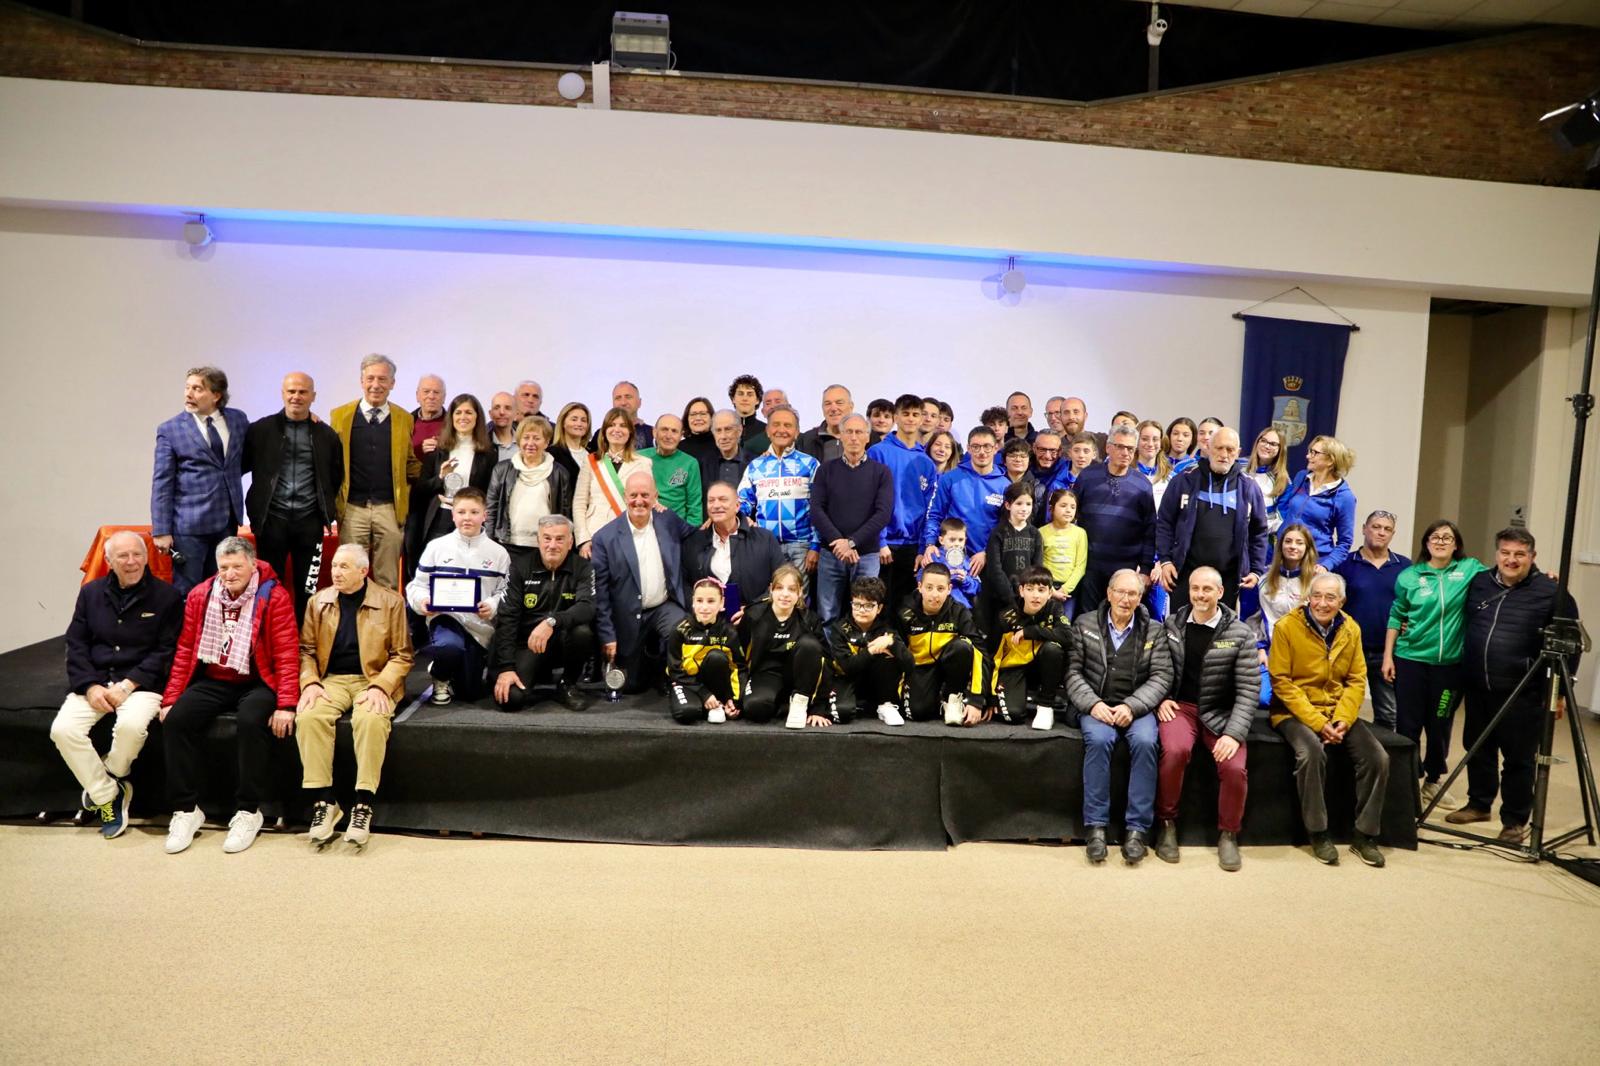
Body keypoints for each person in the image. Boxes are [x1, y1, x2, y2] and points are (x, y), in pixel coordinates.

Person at [159, 537, 299, 855]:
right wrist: (170, 698)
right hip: (214, 677)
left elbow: (287, 652)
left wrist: (286, 703)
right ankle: (186, 810)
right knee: (177, 721)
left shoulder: (273, 595)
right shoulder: (201, 594)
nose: (230, 574)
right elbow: (185, 649)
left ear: (252, 564)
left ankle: (249, 810)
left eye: (237, 566)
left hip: (258, 679)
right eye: (224, 567)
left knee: (251, 721)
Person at [1447, 528, 1581, 845]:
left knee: (1518, 759)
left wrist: (1560, 692)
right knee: (1477, 747)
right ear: (1497, 554)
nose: (1511, 560)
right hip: (1478, 685)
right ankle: (1479, 804)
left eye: (1520, 554)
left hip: (1524, 692)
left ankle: (1514, 821)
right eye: (1506, 552)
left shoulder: (1552, 592)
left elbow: (1570, 645)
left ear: (1532, 557)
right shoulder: (1480, 583)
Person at [51, 531, 183, 839]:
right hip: (96, 681)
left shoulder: (167, 596)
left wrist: (128, 684)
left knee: (131, 728)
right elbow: (76, 644)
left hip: (141, 684)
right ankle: (107, 794)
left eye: (137, 554)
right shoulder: (91, 593)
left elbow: (166, 651)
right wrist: (90, 686)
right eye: (122, 556)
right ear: (109, 561)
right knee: (63, 730)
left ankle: (111, 775)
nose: (131, 561)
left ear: (147, 558)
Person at [295, 543, 413, 850]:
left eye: (344, 567)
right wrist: (310, 682)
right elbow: (306, 651)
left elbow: (402, 655)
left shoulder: (391, 602)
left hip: (372, 679)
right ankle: (324, 802)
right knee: (309, 716)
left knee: (371, 719)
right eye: (334, 566)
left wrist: (381, 687)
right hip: (330, 680)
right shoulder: (318, 602)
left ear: (363, 571)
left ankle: (363, 804)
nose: (336, 572)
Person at [1268, 572, 1389, 867]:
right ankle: (1318, 832)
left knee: (1378, 758)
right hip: (1293, 711)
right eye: (1317, 596)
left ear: (1341, 601)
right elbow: (1281, 681)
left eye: (1330, 597)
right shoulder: (1286, 627)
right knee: (1311, 753)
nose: (1322, 603)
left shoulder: (1352, 629)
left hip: (1337, 710)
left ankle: (1365, 835)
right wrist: (1318, 723)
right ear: (1308, 598)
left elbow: (1357, 680)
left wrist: (1343, 719)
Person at [1065, 568, 1174, 865]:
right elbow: (1072, 672)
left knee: (1146, 742)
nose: (1126, 599)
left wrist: (1132, 706)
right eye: (1121, 592)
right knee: (1099, 741)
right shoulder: (1084, 623)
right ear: (1109, 593)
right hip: (1096, 705)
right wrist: (1092, 704)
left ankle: (1137, 830)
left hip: (1136, 707)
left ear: (1140, 598)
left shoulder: (1155, 630)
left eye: (1133, 594)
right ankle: (1096, 828)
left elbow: (1162, 676)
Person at [1154, 566, 1258, 871]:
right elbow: (1158, 669)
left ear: (1220, 592)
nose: (1200, 595)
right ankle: (1167, 825)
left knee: (1235, 768)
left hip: (1222, 713)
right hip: (1181, 708)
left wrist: (1233, 734)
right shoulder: (1172, 625)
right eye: (1195, 588)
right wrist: (1161, 698)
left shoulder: (1240, 633)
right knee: (1175, 752)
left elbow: (1249, 689)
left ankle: (1228, 834)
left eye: (1207, 589)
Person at [1383, 519, 1486, 810]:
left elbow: (1502, 575)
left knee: (1440, 722)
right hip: (1410, 661)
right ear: (1426, 543)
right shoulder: (1409, 577)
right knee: (1408, 723)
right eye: (1435, 537)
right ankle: (1408, 780)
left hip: (1450, 666)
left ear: (1456, 544)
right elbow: (1396, 615)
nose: (1440, 541)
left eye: (1447, 537)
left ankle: (1432, 780)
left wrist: (1543, 576)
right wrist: (1388, 656)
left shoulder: (1469, 570)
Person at [242, 371, 344, 620]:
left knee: (308, 586)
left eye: (302, 392)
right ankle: (270, 634)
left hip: (310, 523)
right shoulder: (260, 430)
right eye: (291, 391)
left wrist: (324, 511)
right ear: (282, 394)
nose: (296, 396)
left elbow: (335, 476)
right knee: (268, 585)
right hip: (271, 520)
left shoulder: (326, 435)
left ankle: (305, 637)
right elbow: (241, 465)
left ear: (313, 396)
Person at [590, 471, 696, 691]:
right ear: (625, 497)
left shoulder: (668, 520)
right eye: (634, 495)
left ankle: (672, 677)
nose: (639, 501)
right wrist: (608, 636)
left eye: (646, 495)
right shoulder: (604, 538)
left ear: (656, 496)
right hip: (626, 616)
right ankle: (648, 667)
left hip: (663, 607)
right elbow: (601, 595)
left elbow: (696, 536)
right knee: (630, 686)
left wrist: (725, 522)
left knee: (681, 629)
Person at [405, 488, 510, 706]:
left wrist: (492, 605)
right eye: (461, 512)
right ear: (453, 515)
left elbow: (505, 591)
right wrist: (422, 601)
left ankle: (452, 670)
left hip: (480, 626)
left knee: (470, 692)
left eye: (474, 512)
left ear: (485, 515)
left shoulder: (499, 553)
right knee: (449, 647)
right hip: (446, 618)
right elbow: (417, 585)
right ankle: (440, 675)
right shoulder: (436, 547)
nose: (467, 518)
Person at [151, 366, 250, 592]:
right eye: (187, 388)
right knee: (189, 592)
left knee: (223, 589)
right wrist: (161, 530)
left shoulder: (237, 420)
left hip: (226, 522)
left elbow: (241, 461)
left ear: (216, 395)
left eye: (197, 389)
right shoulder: (171, 429)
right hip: (189, 526)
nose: (189, 394)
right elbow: (162, 483)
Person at [1152, 427, 1270, 612]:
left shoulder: (1248, 487)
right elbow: (1165, 523)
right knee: (1181, 628)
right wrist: (1165, 560)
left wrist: (1256, 570)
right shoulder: (1183, 480)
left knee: (1222, 631)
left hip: (1228, 581)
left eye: (1230, 449)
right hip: (1184, 576)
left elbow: (1259, 531)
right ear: (1207, 447)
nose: (1224, 454)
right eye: (1219, 448)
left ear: (1238, 452)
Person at [331, 354, 420, 591]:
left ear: (392, 383)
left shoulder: (404, 418)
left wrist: (436, 473)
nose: (376, 385)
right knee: (350, 575)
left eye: (382, 379)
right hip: (352, 508)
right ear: (361, 381)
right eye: (370, 378)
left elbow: (409, 462)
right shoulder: (339, 416)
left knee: (387, 578)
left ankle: (386, 616)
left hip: (390, 509)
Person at [491, 514, 596, 713]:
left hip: (561, 639)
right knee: (511, 700)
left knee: (582, 632)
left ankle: (567, 684)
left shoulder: (583, 567)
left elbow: (587, 607)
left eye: (560, 539)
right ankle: (535, 674)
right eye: (547, 538)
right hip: (528, 643)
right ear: (538, 540)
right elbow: (507, 618)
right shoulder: (519, 567)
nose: (552, 545)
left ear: (570, 542)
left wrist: (552, 621)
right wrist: (506, 667)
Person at [811, 414, 893, 623]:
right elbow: (816, 510)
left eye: (859, 432)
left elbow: (883, 514)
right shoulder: (825, 470)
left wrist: (851, 542)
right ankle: (830, 647)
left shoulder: (881, 472)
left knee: (866, 613)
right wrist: (839, 542)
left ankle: (862, 646)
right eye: (849, 432)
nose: (854, 437)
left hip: (867, 554)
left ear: (867, 437)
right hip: (831, 553)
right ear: (840, 435)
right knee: (827, 614)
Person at [405, 393, 495, 578]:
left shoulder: (488, 454)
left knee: (467, 571)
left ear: (477, 417)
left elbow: (489, 492)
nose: (463, 417)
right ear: (451, 417)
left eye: (468, 412)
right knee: (436, 570)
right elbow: (419, 491)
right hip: (441, 516)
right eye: (458, 412)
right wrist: (440, 478)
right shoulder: (438, 450)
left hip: (471, 519)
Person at [1333, 510, 1408, 730]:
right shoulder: (1345, 564)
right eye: (1376, 527)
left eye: (1387, 529)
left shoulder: (1405, 567)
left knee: (1388, 714)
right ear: (1364, 529)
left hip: (1388, 653)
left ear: (1393, 534)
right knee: (1340, 710)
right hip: (1349, 650)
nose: (1381, 532)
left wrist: (1410, 622)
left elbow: (1414, 604)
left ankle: (1381, 752)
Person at [1073, 424, 1155, 613]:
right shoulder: (1087, 477)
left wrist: (1145, 569)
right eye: (1120, 447)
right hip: (1089, 567)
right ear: (1108, 447)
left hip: (1125, 570)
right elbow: (1072, 518)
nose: (1125, 453)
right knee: (1089, 619)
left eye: (1130, 449)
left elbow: (1150, 530)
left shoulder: (1143, 485)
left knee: (1120, 620)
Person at [868, 393, 939, 612]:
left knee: (907, 609)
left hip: (913, 547)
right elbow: (870, 501)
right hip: (884, 545)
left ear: (921, 419)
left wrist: (922, 547)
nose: (910, 419)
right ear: (896, 417)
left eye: (915, 414)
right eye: (905, 413)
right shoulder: (878, 452)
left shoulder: (926, 462)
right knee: (881, 606)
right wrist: (880, 541)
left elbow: (929, 509)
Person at [737, 565, 829, 728]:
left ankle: (800, 701)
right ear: (771, 589)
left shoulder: (809, 619)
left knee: (809, 644)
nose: (785, 594)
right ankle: (784, 705)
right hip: (765, 675)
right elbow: (738, 659)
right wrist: (737, 698)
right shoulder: (753, 615)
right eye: (779, 588)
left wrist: (819, 707)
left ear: (800, 592)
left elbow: (826, 662)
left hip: (799, 679)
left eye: (792, 589)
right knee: (755, 709)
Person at [897, 563, 988, 726]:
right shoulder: (905, 613)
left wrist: (976, 700)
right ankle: (935, 698)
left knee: (963, 646)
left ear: (949, 589)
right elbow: (899, 653)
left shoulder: (959, 612)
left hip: (949, 667)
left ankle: (953, 697)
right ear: (920, 587)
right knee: (918, 712)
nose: (934, 594)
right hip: (920, 668)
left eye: (940, 589)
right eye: (929, 587)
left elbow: (981, 653)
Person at [737, 405, 821, 581]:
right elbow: (742, 503)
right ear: (767, 431)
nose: (781, 430)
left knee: (799, 596)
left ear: (797, 432)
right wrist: (744, 519)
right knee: (769, 594)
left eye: (787, 425)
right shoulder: (755, 466)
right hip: (766, 545)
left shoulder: (810, 464)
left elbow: (820, 507)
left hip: (802, 546)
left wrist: (815, 546)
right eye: (776, 424)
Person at [920, 426, 1008, 584]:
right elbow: (934, 515)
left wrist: (987, 552)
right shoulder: (950, 478)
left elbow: (1005, 527)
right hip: (951, 559)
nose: (982, 452)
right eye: (976, 447)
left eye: (987, 446)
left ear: (996, 448)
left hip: (987, 560)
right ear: (968, 448)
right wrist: (930, 543)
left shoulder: (1005, 486)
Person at [683, 482, 785, 614]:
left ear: (737, 506)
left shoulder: (765, 539)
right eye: (711, 500)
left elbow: (781, 581)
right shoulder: (693, 542)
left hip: (757, 619)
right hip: (709, 620)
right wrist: (702, 609)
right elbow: (685, 585)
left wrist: (752, 611)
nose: (716, 505)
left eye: (723, 499)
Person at [824, 576, 911, 726]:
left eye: (869, 605)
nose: (862, 610)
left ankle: (886, 704)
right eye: (857, 604)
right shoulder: (839, 630)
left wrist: (892, 643)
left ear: (879, 608)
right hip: (847, 680)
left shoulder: (887, 630)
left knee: (889, 655)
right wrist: (871, 650)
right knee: (842, 713)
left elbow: (910, 664)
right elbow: (848, 667)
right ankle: (857, 703)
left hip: (878, 682)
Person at [486, 415, 575, 561]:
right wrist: (489, 543)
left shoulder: (559, 473)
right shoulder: (502, 469)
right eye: (526, 438)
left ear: (546, 442)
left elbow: (565, 513)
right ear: (518, 440)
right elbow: (491, 509)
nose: (530, 443)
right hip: (507, 544)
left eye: (537, 438)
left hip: (544, 546)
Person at [992, 566, 1070, 730]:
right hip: (1014, 667)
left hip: (1043, 666)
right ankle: (1021, 695)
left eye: (1041, 590)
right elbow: (991, 655)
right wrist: (987, 696)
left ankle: (1045, 706)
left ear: (1050, 593)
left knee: (1053, 649)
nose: (1035, 595)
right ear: (1021, 591)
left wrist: (1030, 632)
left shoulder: (1054, 609)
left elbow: (1068, 637)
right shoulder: (1006, 616)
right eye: (1030, 589)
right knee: (1012, 715)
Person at [574, 408, 653, 554]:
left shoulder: (643, 463)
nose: (617, 430)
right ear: (604, 431)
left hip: (630, 535)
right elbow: (579, 502)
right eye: (612, 425)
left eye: (623, 426)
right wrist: (583, 539)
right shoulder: (591, 461)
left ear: (630, 432)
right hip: (594, 535)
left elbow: (650, 502)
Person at [668, 578, 744, 724]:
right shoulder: (680, 630)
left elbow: (739, 668)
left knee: (717, 657)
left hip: (717, 684)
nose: (704, 607)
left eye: (711, 601)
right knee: (687, 713)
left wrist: (734, 700)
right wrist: (704, 694)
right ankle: (709, 704)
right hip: (688, 684)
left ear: (721, 603)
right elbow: (675, 671)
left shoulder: (729, 632)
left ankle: (719, 703)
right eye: (699, 600)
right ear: (693, 602)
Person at [1277, 434, 1357, 570]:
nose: (1308, 456)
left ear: (1330, 460)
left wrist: (1326, 566)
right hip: (1284, 556)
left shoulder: (1345, 497)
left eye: (1314, 453)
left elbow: (1345, 542)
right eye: (1310, 451)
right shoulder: (1301, 477)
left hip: (1313, 564)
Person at [984, 480, 1044, 616]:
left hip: (1026, 598)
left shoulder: (1035, 534)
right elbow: (994, 570)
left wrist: (1027, 595)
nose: (1024, 508)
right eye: (1019, 503)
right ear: (1008, 505)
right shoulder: (998, 533)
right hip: (1000, 599)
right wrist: (1011, 597)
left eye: (1028, 504)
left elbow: (1037, 568)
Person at [639, 414, 705, 527]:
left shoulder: (690, 463)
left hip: (676, 529)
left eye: (674, 431)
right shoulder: (639, 458)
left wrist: (687, 533)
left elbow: (695, 509)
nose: (668, 436)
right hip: (642, 525)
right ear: (654, 432)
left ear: (681, 436)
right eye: (664, 429)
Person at [1039, 488, 1087, 610]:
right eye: (1063, 506)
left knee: (1065, 621)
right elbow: (1039, 563)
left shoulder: (1080, 533)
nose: (1068, 510)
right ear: (1052, 508)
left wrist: (1064, 589)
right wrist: (1051, 589)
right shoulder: (1041, 532)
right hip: (1046, 587)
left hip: (1069, 592)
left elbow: (1080, 566)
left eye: (1072, 507)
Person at [920, 518, 981, 609]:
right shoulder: (933, 558)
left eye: (960, 540)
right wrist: (943, 577)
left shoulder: (967, 561)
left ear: (965, 540)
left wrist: (965, 580)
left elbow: (977, 587)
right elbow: (920, 578)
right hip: (937, 605)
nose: (957, 544)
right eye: (952, 540)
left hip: (960, 607)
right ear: (941, 540)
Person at [700, 409, 753, 510]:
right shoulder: (704, 463)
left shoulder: (754, 463)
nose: (723, 436)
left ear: (739, 430)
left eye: (728, 429)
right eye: (718, 430)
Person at [589, 381, 654, 452]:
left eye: (628, 397)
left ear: (639, 402)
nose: (623, 402)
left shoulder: (652, 433)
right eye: (618, 398)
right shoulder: (601, 435)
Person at [1247, 426, 1289, 536]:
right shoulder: (1239, 468)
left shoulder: (1283, 481)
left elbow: (1280, 520)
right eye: (1263, 441)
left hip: (1261, 539)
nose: (1267, 446)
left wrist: (1252, 528)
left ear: (1280, 449)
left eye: (1273, 444)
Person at [797, 383, 853, 463]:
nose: (833, 408)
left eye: (839, 403)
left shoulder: (865, 437)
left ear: (851, 407)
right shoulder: (806, 440)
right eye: (828, 404)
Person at [549, 401, 591, 483]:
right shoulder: (552, 453)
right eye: (574, 419)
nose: (579, 424)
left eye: (583, 420)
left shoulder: (593, 453)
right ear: (563, 423)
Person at [741, 388, 791, 455]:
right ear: (763, 412)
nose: (773, 406)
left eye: (778, 402)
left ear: (789, 407)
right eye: (768, 403)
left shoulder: (802, 440)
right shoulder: (751, 446)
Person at [409, 374, 447, 463]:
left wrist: (442, 449)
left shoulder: (454, 424)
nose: (431, 396)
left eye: (436, 392)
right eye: (426, 391)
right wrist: (419, 450)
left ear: (444, 397)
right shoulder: (405, 423)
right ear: (417, 396)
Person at [727, 373, 766, 444]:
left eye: (750, 394)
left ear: (757, 400)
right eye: (740, 394)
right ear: (733, 399)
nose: (745, 398)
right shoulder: (723, 429)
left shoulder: (767, 431)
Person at [680, 396, 717, 463]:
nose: (698, 418)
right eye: (693, 414)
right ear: (687, 419)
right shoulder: (679, 448)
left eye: (703, 414)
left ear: (711, 417)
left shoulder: (720, 444)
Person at [488, 391, 519, 461]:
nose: (502, 412)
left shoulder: (525, 443)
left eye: (507, 408)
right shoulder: (481, 444)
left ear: (516, 414)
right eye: (497, 408)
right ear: (490, 414)